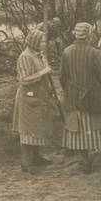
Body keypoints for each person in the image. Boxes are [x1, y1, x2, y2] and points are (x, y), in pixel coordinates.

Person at [60, 22, 101, 175]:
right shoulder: (94, 52)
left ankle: (85, 163)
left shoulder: (66, 52)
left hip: (73, 99)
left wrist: (70, 91)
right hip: (94, 98)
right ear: (89, 35)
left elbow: (62, 78)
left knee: (78, 131)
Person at [12, 30, 57, 173]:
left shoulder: (39, 55)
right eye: (42, 41)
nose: (44, 44)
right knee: (27, 130)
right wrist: (43, 72)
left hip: (38, 95)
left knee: (37, 127)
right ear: (35, 42)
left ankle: (36, 157)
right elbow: (23, 80)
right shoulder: (25, 57)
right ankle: (26, 162)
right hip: (28, 96)